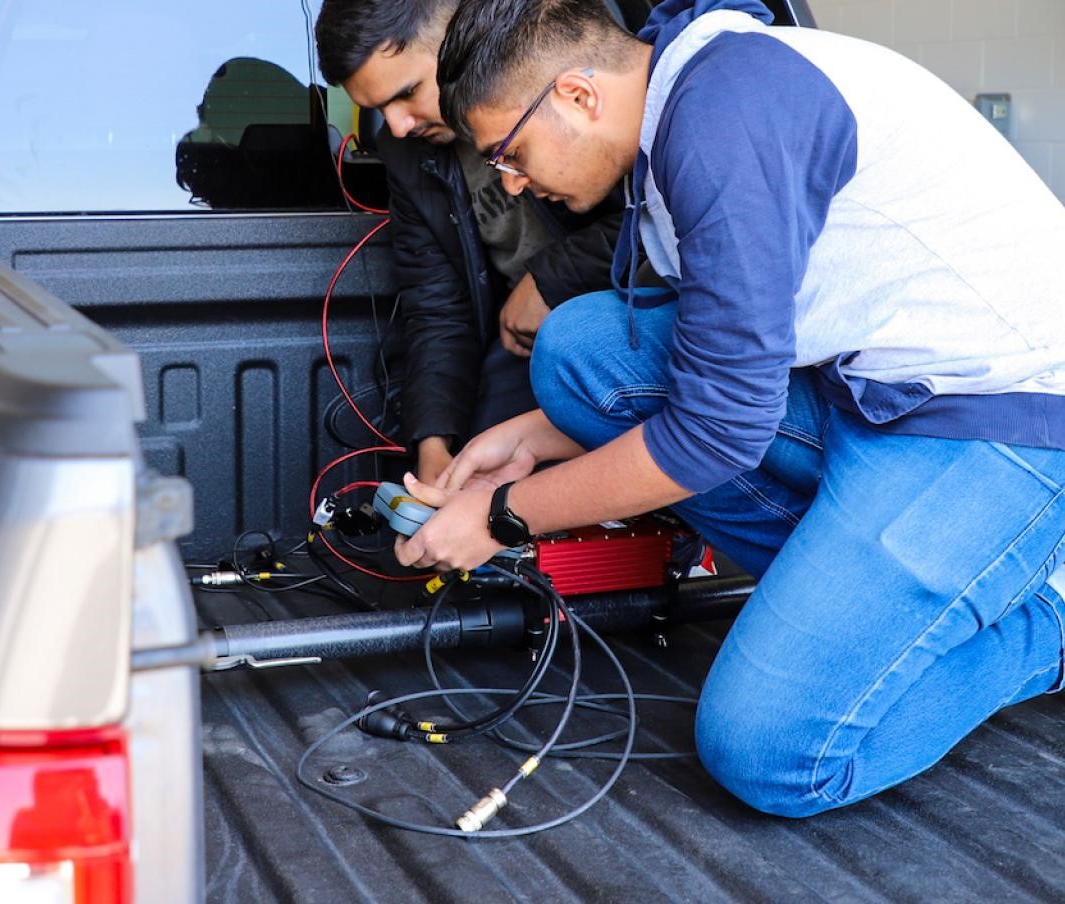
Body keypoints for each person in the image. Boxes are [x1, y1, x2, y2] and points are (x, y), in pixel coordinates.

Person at [396, 0, 1065, 818]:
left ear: (576, 95)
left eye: (511, 151)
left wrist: (503, 516)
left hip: (998, 425)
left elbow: (716, 429)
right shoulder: (682, 103)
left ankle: (1047, 620)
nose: (510, 181)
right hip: (862, 395)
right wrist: (534, 439)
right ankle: (850, 617)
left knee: (766, 752)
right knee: (579, 352)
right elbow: (718, 362)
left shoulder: (724, 120)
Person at [315, 0, 634, 483]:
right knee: (478, 475)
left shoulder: (566, 90)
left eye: (407, 94)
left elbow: (662, 227)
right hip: (519, 340)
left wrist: (550, 280)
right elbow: (437, 303)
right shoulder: (406, 151)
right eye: (378, 110)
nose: (397, 125)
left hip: (619, 323)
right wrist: (433, 441)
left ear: (459, 39)